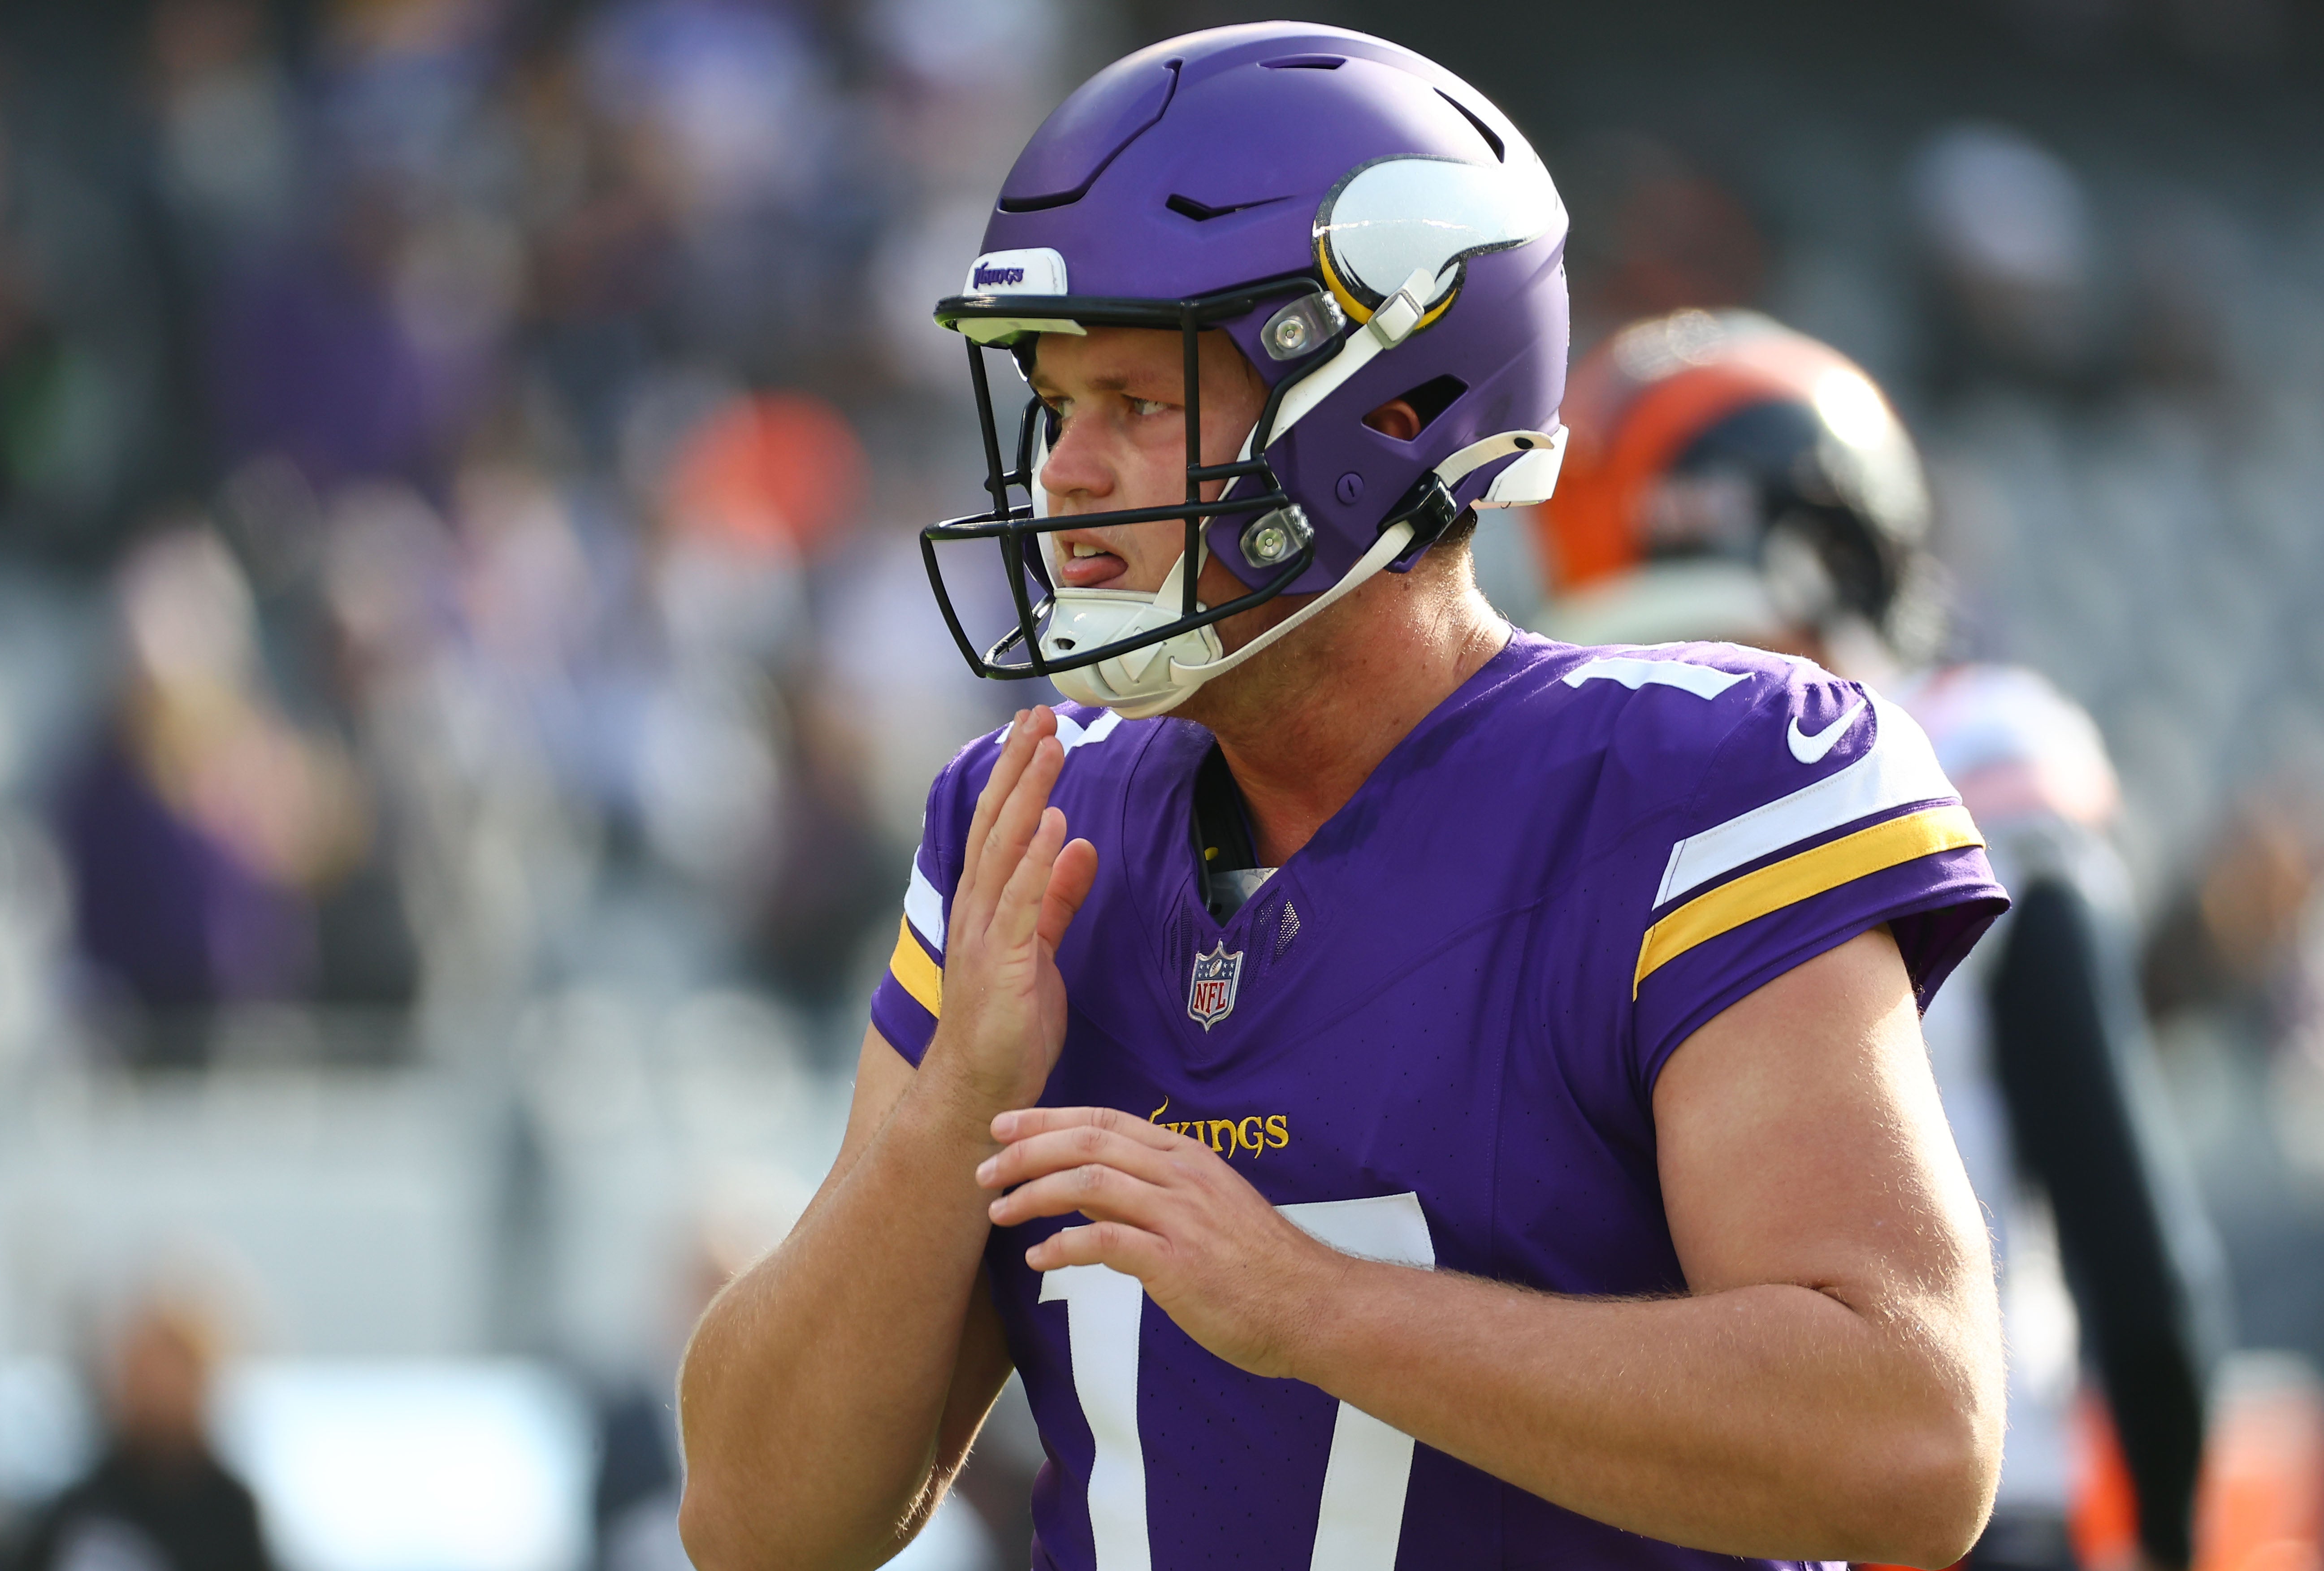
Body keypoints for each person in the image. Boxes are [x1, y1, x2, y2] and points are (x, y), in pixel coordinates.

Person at [679, 25, 2012, 1571]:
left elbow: (1905, 1434)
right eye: (1053, 405)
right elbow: (760, 1525)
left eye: (1138, 395)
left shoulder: (1687, 785)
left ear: (1388, 407)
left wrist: (1312, 1307)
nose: (1065, 472)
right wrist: (946, 1121)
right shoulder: (1036, 824)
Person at [1530, 307, 2225, 1571]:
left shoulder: (1583, 807)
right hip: (1892, 1491)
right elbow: (2137, 1247)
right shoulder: (1962, 759)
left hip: (1740, 1497)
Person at [13, 1295, 273, 1571]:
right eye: (143, 1371)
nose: (157, 1387)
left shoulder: (229, 1511)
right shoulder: (85, 1509)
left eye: (172, 1370)